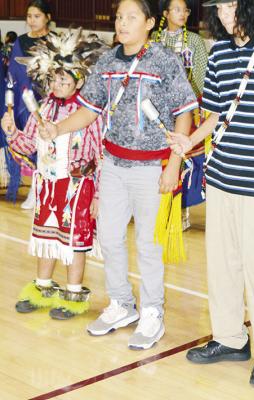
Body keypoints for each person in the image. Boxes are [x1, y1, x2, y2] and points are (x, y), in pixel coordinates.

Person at [39, 0, 197, 349]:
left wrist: (173, 163)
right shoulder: (107, 62)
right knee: (108, 238)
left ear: (149, 23)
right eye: (118, 17)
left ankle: (153, 311)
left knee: (148, 245)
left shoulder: (164, 61)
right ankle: (122, 304)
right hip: (112, 165)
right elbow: (89, 111)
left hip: (152, 168)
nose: (122, 23)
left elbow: (184, 112)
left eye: (131, 17)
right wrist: (58, 128)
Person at [168, 0, 254, 387]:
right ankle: (230, 338)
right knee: (222, 265)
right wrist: (188, 141)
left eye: (232, 6)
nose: (226, 16)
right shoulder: (220, 53)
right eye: (220, 9)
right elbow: (214, 114)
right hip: (222, 177)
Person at [1, 30, 105, 320]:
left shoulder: (88, 112)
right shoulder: (44, 106)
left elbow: (101, 153)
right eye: (54, 79)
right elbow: (27, 146)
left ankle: (73, 293)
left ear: (79, 80)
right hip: (48, 186)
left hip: (77, 186)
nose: (57, 84)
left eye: (64, 79)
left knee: (74, 242)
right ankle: (43, 288)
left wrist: (98, 193)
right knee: (46, 238)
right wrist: (11, 131)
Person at [152, 0, 209, 230]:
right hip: (158, 109)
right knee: (160, 158)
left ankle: (181, 209)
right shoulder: (154, 39)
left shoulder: (194, 41)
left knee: (184, 158)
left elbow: (203, 77)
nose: (183, 13)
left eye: (185, 10)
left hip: (187, 108)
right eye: (176, 9)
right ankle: (158, 206)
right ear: (165, 13)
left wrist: (193, 105)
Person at [6, 0, 52, 207]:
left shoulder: (55, 41)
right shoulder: (20, 42)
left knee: (48, 147)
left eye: (37, 16)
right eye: (29, 16)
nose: (31, 21)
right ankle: (34, 189)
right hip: (26, 102)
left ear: (48, 17)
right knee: (31, 145)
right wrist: (25, 98)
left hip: (51, 103)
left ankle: (47, 192)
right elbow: (14, 73)